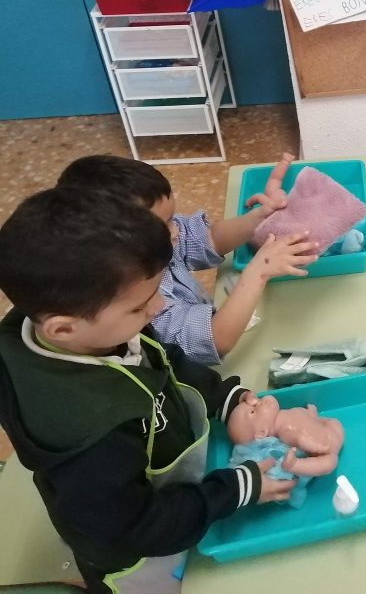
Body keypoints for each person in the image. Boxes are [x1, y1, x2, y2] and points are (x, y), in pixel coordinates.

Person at [0, 188, 294, 594]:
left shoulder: (97, 324)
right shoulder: (89, 437)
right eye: (140, 306)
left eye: (155, 291)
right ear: (63, 328)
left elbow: (163, 359)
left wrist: (221, 397)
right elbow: (134, 527)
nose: (157, 309)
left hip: (174, 496)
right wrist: (234, 490)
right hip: (140, 554)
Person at [57, 154, 318, 364]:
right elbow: (216, 339)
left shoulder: (148, 241)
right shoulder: (138, 301)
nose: (176, 230)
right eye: (165, 224)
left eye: (172, 218)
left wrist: (258, 219)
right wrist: (257, 273)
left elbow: (208, 238)